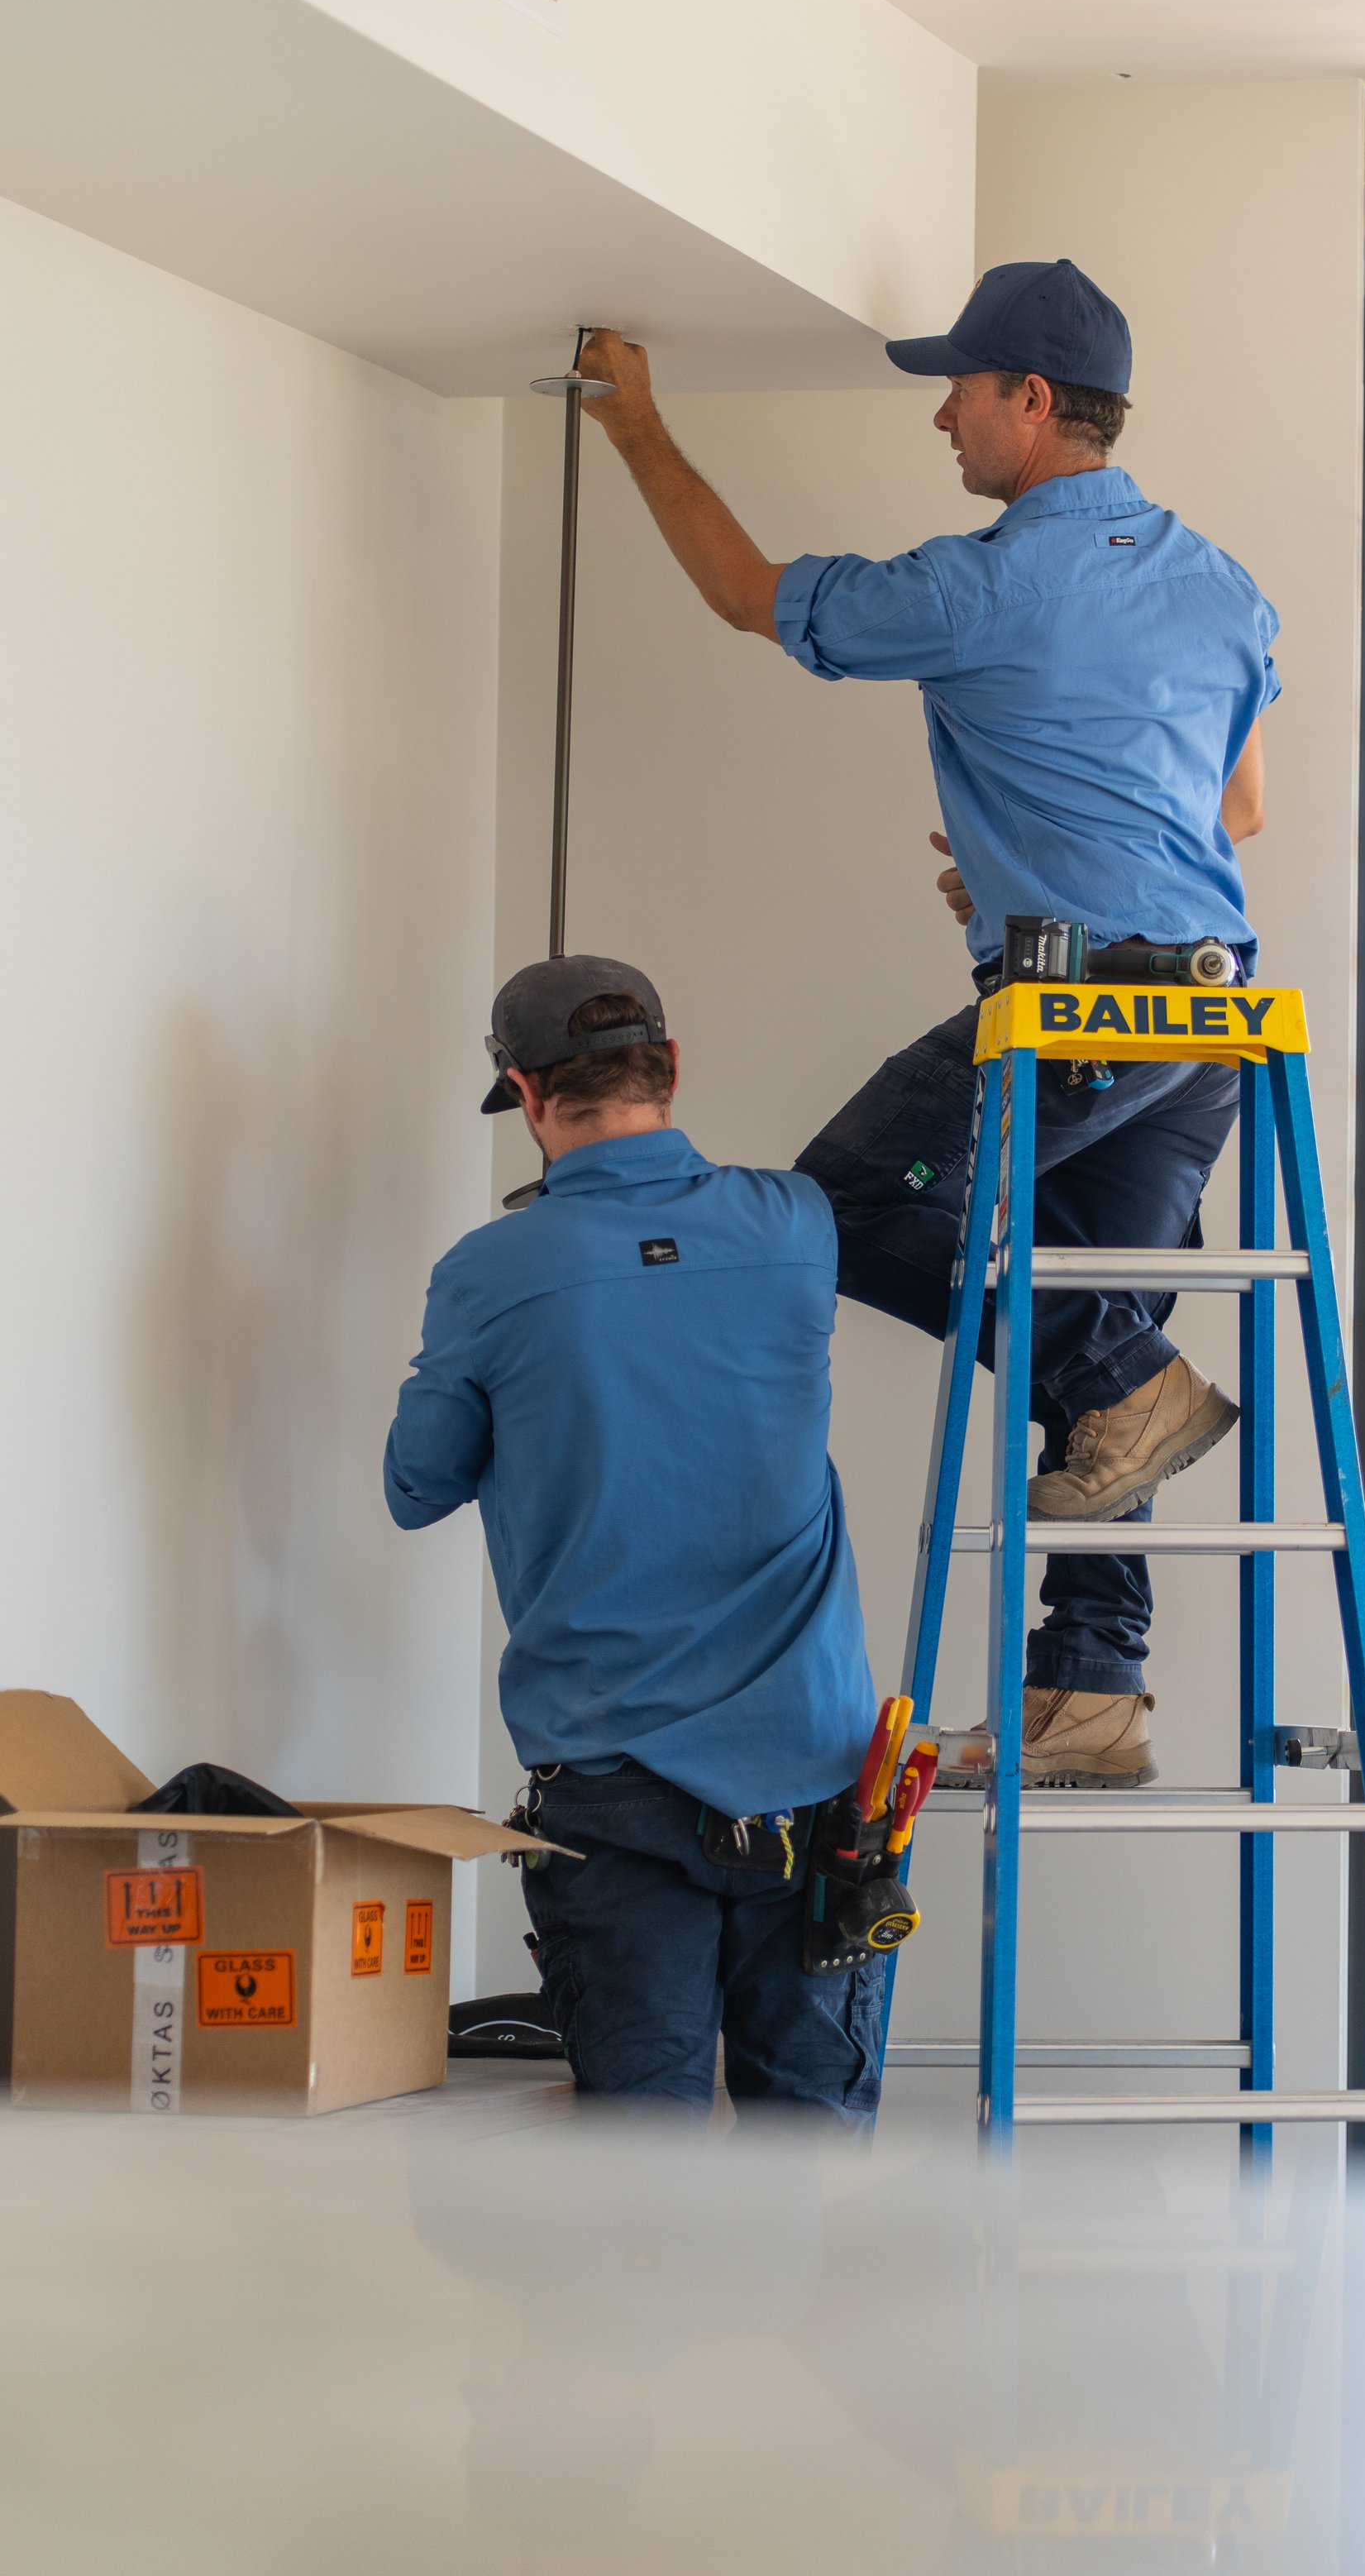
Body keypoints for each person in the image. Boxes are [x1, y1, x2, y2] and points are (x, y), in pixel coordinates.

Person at [575, 260, 1277, 1789]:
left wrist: (633, 425)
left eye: (957, 389)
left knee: (840, 1209)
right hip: (1213, 1013)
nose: (942, 418)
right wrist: (1027, 848)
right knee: (1101, 1339)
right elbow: (1238, 805)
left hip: (1090, 999)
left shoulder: (985, 583)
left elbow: (747, 595)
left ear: (1033, 402)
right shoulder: (1217, 580)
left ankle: (1121, 1385)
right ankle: (1094, 1688)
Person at [383, 956, 883, 2118]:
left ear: (527, 1090)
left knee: (635, 2199)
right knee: (814, 2169)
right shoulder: (796, 1224)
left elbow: (416, 1485)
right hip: (817, 1776)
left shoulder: (492, 1270)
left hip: (614, 1783)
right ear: (671, 1069)